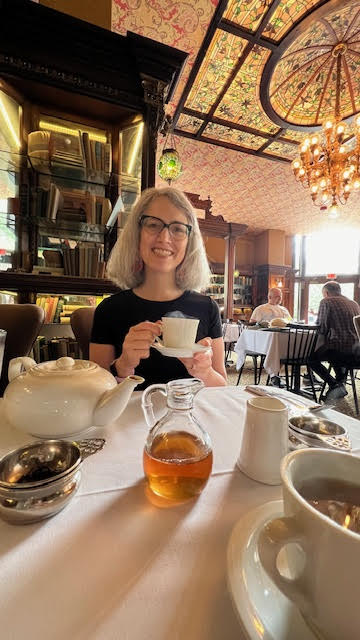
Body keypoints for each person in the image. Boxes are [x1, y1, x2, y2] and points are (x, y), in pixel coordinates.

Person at [89, 186, 227, 389]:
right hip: (130, 420)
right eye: (153, 225)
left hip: (190, 420)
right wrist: (123, 366)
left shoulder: (207, 308)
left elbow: (222, 387)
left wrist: (205, 372)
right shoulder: (109, 310)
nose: (164, 238)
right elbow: (94, 391)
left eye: (178, 228)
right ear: (137, 234)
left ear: (190, 241)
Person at [310, 281, 360, 402]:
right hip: (356, 352)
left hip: (340, 350)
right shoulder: (353, 303)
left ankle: (334, 385)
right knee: (334, 354)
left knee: (311, 359)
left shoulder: (326, 301)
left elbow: (322, 327)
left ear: (326, 293)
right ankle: (340, 382)